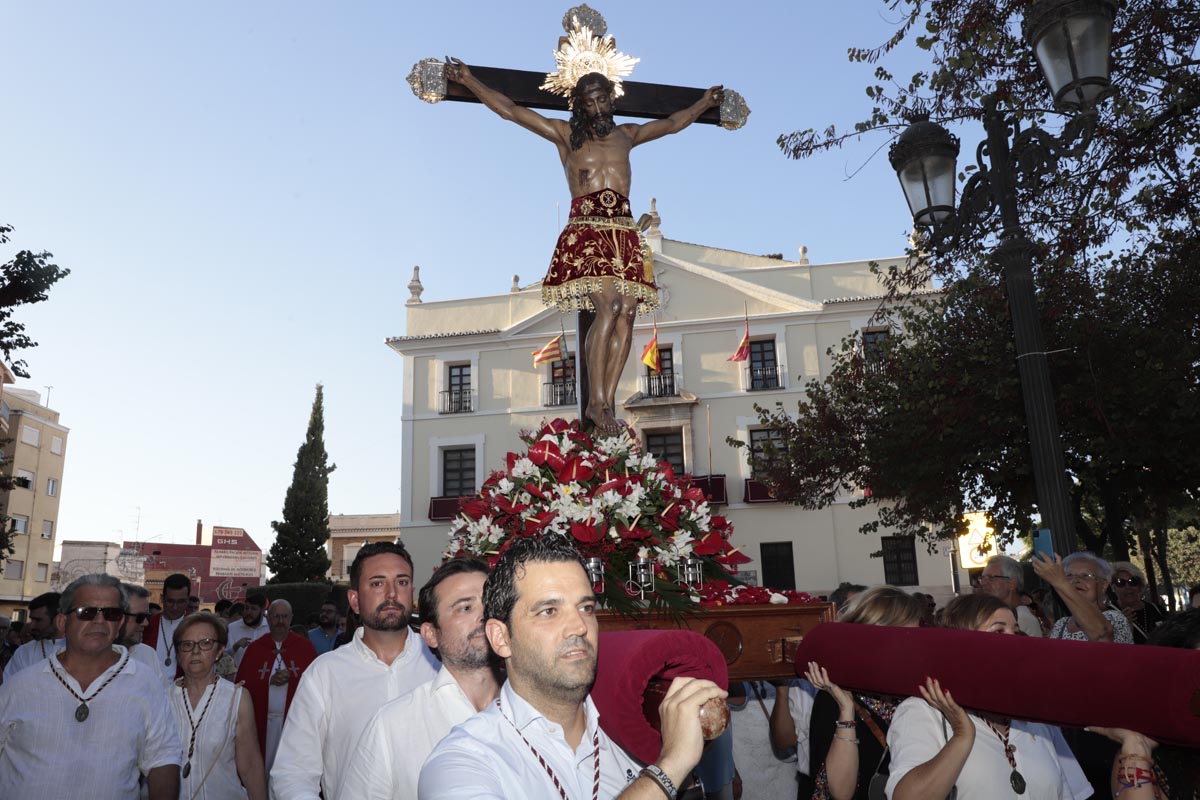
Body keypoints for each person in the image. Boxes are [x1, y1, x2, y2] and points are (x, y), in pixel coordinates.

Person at [444, 57, 723, 434]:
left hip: (624, 232)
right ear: (580, 105)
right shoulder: (565, 135)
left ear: (611, 98)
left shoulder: (627, 135)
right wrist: (470, 80)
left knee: (626, 313)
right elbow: (511, 111)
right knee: (607, 307)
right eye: (588, 103)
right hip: (588, 230)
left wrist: (704, 104)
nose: (596, 109)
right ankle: (594, 403)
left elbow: (673, 124)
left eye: (601, 100)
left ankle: (604, 401)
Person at [419, 535, 726, 799]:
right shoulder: (461, 761)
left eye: (586, 608)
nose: (579, 626)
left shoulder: (632, 733)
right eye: (549, 611)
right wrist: (669, 768)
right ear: (501, 638)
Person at [270, 541, 440, 798]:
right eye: (377, 583)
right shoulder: (324, 675)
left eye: (402, 582)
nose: (392, 593)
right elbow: (292, 774)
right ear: (355, 600)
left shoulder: (443, 666)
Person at [885, 594, 1091, 800]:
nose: (1013, 640)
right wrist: (961, 737)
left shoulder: (1034, 712)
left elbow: (1070, 793)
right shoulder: (922, 711)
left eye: (1016, 631)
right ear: (961, 643)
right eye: (999, 631)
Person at [0, 574, 182, 799]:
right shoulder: (20, 686)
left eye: (111, 613)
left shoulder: (145, 683)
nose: (99, 621)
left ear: (120, 624)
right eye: (86, 612)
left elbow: (163, 760)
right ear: (62, 622)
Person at [339, 557, 501, 799]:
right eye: (465, 608)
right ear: (431, 634)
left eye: (490, 605)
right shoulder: (393, 725)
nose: (483, 617)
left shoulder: (540, 712)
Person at [798, 586, 927, 800]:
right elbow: (841, 792)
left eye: (914, 633)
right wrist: (846, 710)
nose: (912, 644)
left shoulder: (914, 691)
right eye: (904, 634)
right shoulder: (835, 696)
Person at [170, 611, 267, 799]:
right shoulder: (162, 699)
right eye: (187, 645)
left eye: (206, 643)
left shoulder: (236, 698)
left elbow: (250, 766)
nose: (195, 651)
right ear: (178, 653)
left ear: (220, 651)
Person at [235, 599, 316, 771]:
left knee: (291, 770)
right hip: (261, 722)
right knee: (260, 768)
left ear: (291, 618)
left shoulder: (304, 647)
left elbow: (315, 686)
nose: (280, 621)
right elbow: (242, 687)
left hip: (294, 723)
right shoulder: (256, 649)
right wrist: (268, 682)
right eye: (276, 616)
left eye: (284, 617)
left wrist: (293, 679)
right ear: (268, 618)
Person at [1034, 552, 1133, 644]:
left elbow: (1101, 636)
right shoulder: (1061, 624)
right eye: (1069, 576)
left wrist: (1060, 583)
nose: (1076, 580)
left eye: (1086, 576)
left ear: (1104, 585)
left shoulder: (1115, 619)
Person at [2, 590, 63, 680]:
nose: (31, 626)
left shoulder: (79, 650)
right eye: (31, 620)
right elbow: (9, 686)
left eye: (37, 620)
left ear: (58, 619)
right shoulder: (24, 652)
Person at [143, 572, 193, 680]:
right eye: (170, 601)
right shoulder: (148, 625)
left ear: (188, 600)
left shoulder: (195, 626)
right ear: (162, 598)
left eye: (181, 602)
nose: (175, 607)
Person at [980, 554, 1044, 637]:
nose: (983, 583)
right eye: (982, 578)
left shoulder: (1021, 619)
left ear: (1012, 584)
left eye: (991, 577)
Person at [1108, 561, 1166, 644]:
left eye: (1133, 581)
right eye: (1120, 582)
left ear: (1140, 585)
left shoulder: (1156, 610)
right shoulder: (1109, 614)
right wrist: (1122, 627)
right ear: (1113, 587)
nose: (1128, 587)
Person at [227, 593, 270, 668]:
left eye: (253, 609)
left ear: (262, 610)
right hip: (238, 677)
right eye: (246, 608)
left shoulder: (270, 628)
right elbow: (223, 655)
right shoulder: (232, 628)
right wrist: (235, 647)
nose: (248, 612)